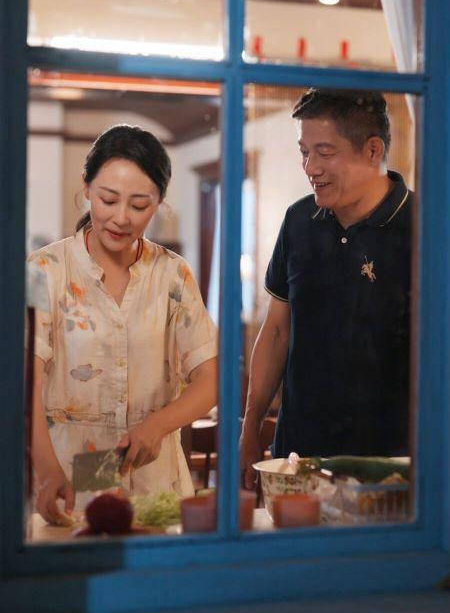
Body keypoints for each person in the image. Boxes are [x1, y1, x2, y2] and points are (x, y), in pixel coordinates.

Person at [28, 124, 218, 524]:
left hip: (156, 484)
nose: (120, 218)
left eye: (139, 205)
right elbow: (23, 383)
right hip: (66, 480)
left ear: (159, 203)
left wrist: (159, 425)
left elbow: (212, 378)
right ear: (87, 188)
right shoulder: (44, 271)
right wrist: (46, 470)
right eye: (108, 200)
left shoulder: (173, 274)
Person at [241, 89, 412, 489]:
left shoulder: (421, 226)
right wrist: (250, 428)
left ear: (373, 150)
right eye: (304, 152)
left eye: (325, 152)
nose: (310, 167)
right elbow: (276, 332)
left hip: (392, 463)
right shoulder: (299, 220)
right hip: (299, 455)